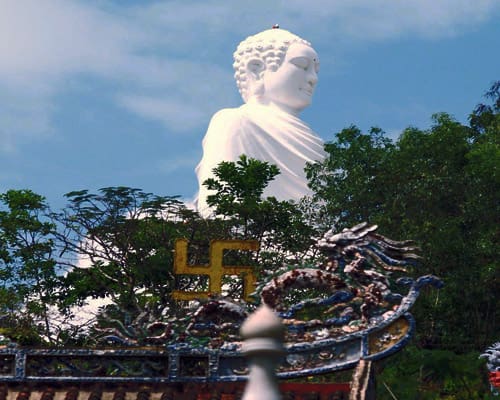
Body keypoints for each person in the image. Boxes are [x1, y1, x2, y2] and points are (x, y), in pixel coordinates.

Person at [195, 27, 326, 216]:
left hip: (318, 234)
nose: (313, 78)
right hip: (253, 231)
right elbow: (218, 203)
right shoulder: (235, 121)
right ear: (256, 70)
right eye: (302, 66)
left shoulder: (315, 141)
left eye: (315, 70)